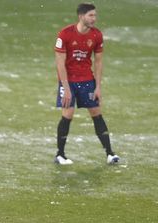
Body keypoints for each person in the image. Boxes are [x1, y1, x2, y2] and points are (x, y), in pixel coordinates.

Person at [53, 3, 120, 165]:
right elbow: (60, 64)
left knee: (97, 113)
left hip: (87, 81)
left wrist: (98, 87)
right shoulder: (64, 34)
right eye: (91, 16)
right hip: (69, 82)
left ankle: (110, 154)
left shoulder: (97, 35)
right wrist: (66, 89)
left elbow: (98, 63)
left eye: (95, 15)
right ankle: (60, 155)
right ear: (81, 16)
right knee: (67, 115)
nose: (94, 19)